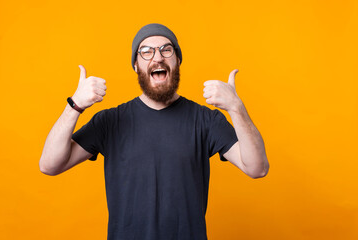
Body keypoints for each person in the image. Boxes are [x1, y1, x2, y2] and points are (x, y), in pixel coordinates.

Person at [39, 23, 269, 240]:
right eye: (146, 51)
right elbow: (49, 165)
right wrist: (75, 105)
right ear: (136, 65)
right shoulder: (110, 121)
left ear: (178, 60)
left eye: (166, 50)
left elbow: (257, 168)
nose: (157, 57)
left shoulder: (205, 120)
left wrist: (236, 108)